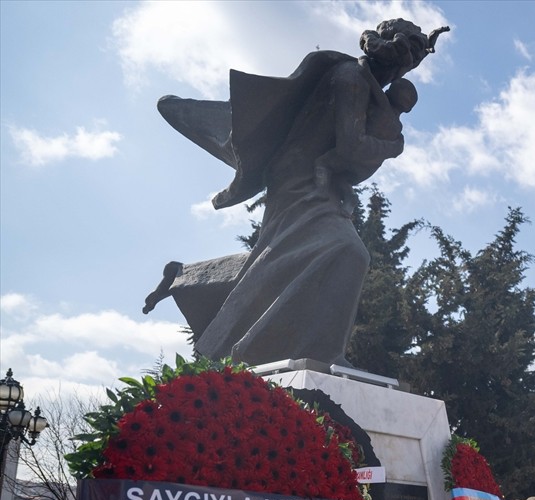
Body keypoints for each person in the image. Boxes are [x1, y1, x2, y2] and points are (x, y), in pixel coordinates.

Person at [152, 19, 447, 367]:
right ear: (399, 63)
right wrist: (391, 147)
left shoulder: (366, 88)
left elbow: (344, 155)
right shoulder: (352, 78)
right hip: (299, 178)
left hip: (316, 180)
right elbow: (351, 146)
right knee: (347, 251)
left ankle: (187, 280)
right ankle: (319, 353)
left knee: (283, 254)